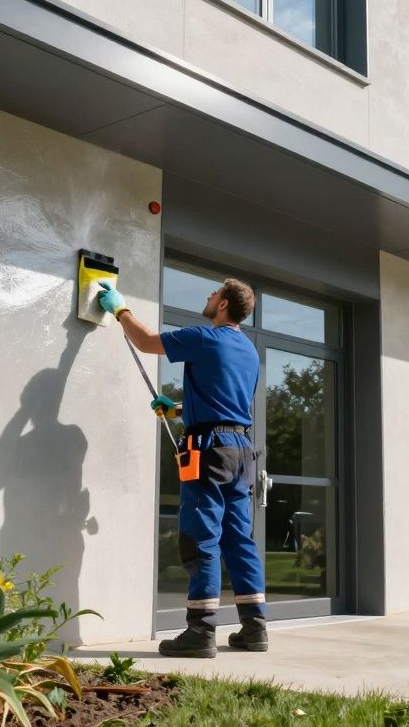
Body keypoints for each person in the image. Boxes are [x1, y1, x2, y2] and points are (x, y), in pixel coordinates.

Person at [96, 277, 267, 658]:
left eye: (213, 293)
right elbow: (227, 403)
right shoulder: (249, 351)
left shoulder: (206, 338)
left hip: (209, 450)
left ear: (223, 304)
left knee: (201, 537)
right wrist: (175, 409)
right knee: (239, 539)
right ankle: (255, 629)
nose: (208, 297)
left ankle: (200, 633)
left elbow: (146, 342)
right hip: (240, 451)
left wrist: (120, 309)